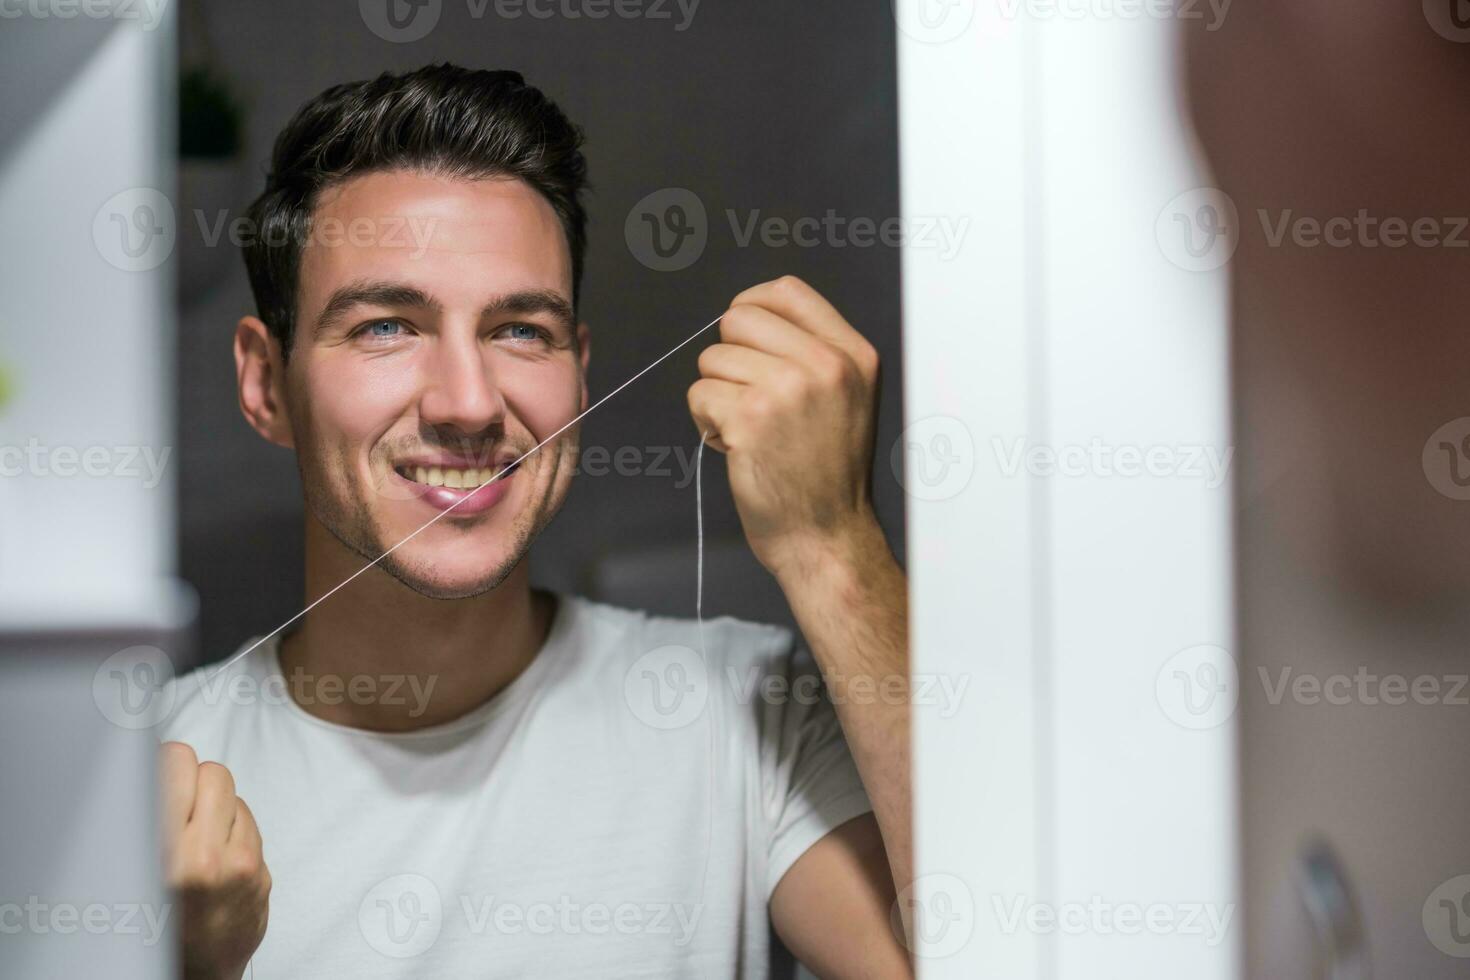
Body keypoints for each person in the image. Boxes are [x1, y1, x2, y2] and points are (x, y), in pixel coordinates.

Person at [158, 63, 913, 979]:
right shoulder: (138, 786)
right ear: (265, 383)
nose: (470, 404)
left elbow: (1007, 942)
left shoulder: (747, 713)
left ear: (580, 373)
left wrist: (831, 541)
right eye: (387, 326)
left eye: (521, 330)